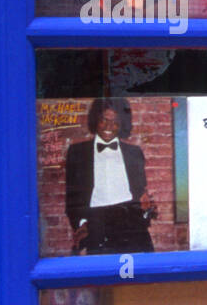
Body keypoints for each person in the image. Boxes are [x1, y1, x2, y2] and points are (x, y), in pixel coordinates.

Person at [64, 98, 156, 255]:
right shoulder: (77, 152)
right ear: (95, 120)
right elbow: (72, 198)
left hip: (131, 223)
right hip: (96, 224)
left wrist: (147, 207)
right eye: (103, 121)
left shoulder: (134, 153)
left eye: (115, 122)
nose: (109, 127)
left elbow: (141, 193)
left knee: (138, 274)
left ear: (122, 124)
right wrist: (82, 224)